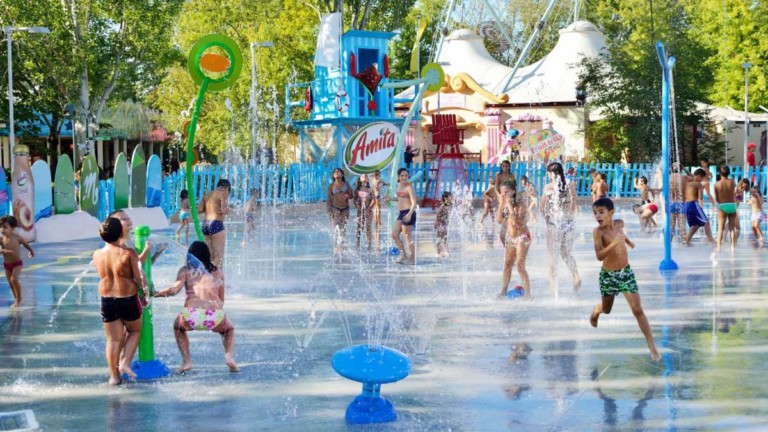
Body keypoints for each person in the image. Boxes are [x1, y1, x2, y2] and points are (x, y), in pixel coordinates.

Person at [589, 198, 660, 361]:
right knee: (607, 310)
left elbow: (621, 235)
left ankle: (651, 344)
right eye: (595, 213)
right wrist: (614, 244)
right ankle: (596, 311)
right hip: (608, 276)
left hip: (625, 273)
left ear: (611, 213)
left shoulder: (619, 223)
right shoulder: (597, 232)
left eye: (601, 212)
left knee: (637, 309)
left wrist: (629, 242)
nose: (597, 216)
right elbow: (599, 256)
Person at [154, 241, 238, 373]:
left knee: (178, 327)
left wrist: (155, 293)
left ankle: (187, 362)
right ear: (207, 255)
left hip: (191, 315)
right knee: (229, 330)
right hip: (214, 315)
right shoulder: (218, 272)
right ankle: (229, 358)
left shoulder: (185, 270)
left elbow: (174, 290)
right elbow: (221, 300)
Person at [92, 217, 149, 385]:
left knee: (113, 340)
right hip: (128, 298)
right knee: (135, 331)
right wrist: (145, 295)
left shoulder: (97, 254)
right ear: (120, 233)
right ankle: (125, 363)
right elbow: (139, 277)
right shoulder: (128, 253)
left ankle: (114, 377)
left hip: (107, 300)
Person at [541, 161, 581, 291]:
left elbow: (542, 207)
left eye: (548, 173)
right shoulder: (570, 185)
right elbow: (574, 205)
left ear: (552, 173)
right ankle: (575, 276)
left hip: (555, 224)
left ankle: (553, 286)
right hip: (569, 223)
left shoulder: (549, 187)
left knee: (551, 255)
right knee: (566, 253)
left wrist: (547, 218)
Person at [497, 180, 531, 297]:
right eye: (502, 193)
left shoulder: (521, 203)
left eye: (507, 192)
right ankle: (503, 290)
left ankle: (528, 294)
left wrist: (510, 206)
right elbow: (498, 220)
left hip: (522, 237)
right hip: (511, 238)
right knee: (507, 264)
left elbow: (517, 224)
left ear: (513, 191)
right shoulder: (504, 202)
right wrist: (502, 205)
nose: (504, 195)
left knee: (520, 265)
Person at [0, 216, 34, 308]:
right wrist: (2, 251)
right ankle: (17, 299)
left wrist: (31, 251)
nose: (2, 229)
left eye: (5, 227)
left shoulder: (17, 238)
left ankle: (19, 299)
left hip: (17, 264)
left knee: (13, 279)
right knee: (10, 283)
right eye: (1, 227)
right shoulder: (1, 239)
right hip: (7, 265)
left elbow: (26, 244)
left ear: (13, 228)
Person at [199, 179, 231, 269]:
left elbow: (200, 210)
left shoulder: (207, 194)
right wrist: (231, 210)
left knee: (209, 257)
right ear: (227, 188)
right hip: (216, 224)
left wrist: (210, 209)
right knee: (219, 258)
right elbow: (224, 210)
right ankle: (219, 280)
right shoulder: (223, 193)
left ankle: (208, 277)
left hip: (205, 225)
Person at [391, 168, 417, 264]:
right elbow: (400, 198)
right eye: (402, 175)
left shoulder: (409, 187)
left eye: (406, 175)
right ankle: (403, 254)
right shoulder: (399, 186)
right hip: (401, 213)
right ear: (398, 177)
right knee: (394, 235)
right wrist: (390, 198)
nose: (404, 177)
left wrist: (410, 214)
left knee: (407, 238)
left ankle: (412, 258)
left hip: (408, 213)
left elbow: (414, 202)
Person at [683, 169, 715, 245]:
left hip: (686, 205)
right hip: (694, 204)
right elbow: (700, 198)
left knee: (696, 225)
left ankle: (687, 241)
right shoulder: (698, 184)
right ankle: (710, 240)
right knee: (706, 222)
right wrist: (701, 207)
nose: (702, 180)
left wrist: (684, 169)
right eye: (702, 178)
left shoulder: (687, 183)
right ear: (698, 176)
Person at [327, 168, 352, 251]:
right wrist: (329, 210)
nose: (336, 172)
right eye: (335, 172)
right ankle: (336, 245)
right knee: (336, 226)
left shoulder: (346, 184)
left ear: (342, 174)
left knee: (343, 227)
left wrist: (346, 196)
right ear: (333, 175)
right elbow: (329, 199)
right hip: (335, 208)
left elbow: (351, 195)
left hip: (345, 208)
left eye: (338, 171)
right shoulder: (331, 186)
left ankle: (342, 243)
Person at [714, 166, 738, 250]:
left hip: (723, 205)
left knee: (720, 228)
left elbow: (716, 198)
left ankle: (718, 247)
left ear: (719, 173)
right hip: (732, 205)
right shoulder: (732, 182)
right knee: (732, 228)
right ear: (729, 173)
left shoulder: (717, 184)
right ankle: (732, 247)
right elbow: (735, 191)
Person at [354, 174, 374, 251]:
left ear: (368, 180)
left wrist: (369, 207)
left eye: (366, 176)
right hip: (360, 210)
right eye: (362, 176)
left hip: (368, 210)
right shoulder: (357, 190)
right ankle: (358, 243)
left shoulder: (370, 189)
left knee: (368, 227)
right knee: (359, 227)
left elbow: (373, 200)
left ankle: (369, 244)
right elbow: (354, 199)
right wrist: (357, 206)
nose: (365, 177)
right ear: (359, 179)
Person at [435, 191, 451, 257]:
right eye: (450, 196)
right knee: (440, 237)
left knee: (445, 237)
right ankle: (438, 252)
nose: (451, 197)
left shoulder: (448, 205)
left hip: (444, 223)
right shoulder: (443, 206)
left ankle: (446, 251)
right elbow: (438, 215)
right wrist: (441, 223)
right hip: (440, 223)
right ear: (445, 198)